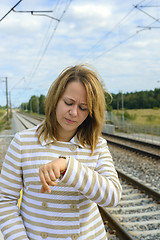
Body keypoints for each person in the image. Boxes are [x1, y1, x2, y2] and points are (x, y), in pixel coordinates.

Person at [0, 65, 122, 240]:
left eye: (83, 107)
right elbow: (5, 201)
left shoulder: (97, 145)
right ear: (55, 99)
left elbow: (113, 196)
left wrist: (68, 167)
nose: (73, 113)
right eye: (68, 103)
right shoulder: (22, 142)